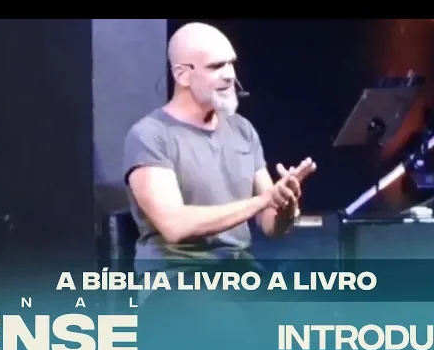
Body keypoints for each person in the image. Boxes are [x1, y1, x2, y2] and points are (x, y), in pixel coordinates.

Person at [123, 22, 316, 279]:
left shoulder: (242, 129)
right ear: (182, 75)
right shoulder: (149, 135)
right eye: (216, 66)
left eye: (230, 63)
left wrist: (285, 206)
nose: (229, 75)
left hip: (239, 271)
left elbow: (270, 225)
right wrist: (263, 200)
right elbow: (174, 225)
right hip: (179, 276)